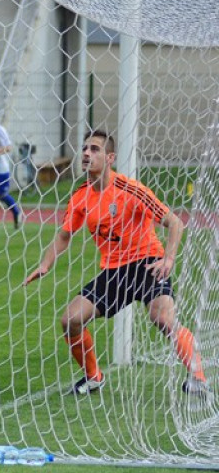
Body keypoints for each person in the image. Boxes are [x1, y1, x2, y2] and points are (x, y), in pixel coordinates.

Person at [25, 129, 208, 397]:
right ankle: (93, 377)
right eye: (85, 149)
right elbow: (64, 235)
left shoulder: (131, 189)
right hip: (113, 271)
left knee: (163, 319)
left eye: (95, 149)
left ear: (110, 157)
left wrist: (168, 259)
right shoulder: (80, 196)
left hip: (148, 263)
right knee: (71, 319)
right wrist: (45, 264)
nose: (87, 153)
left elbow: (175, 222)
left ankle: (199, 379)